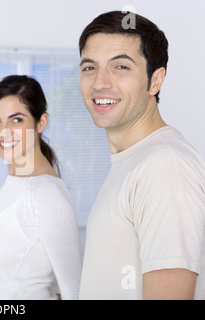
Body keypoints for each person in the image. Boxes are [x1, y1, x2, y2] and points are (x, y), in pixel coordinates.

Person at [78, 11, 205, 300]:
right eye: (89, 68)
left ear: (155, 80)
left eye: (120, 67)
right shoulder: (134, 161)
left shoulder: (163, 167)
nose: (100, 83)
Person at [0, 75, 82, 300]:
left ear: (41, 122)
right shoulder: (15, 183)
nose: (3, 131)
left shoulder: (44, 194)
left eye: (16, 120)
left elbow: (75, 291)